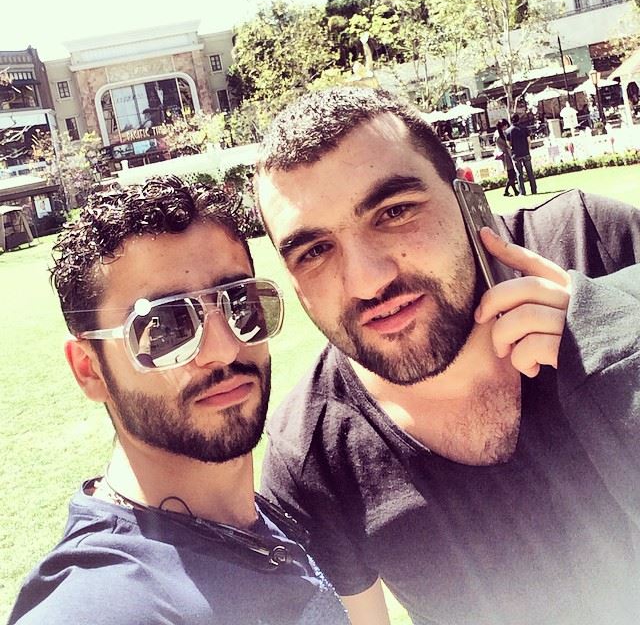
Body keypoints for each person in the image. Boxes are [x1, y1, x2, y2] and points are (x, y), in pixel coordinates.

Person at [253, 86, 640, 625]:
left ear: (465, 196)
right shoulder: (310, 457)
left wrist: (615, 331)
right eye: (315, 251)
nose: (367, 281)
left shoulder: (595, 242)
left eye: (394, 212)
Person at [7, 175, 349, 625]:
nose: (224, 349)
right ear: (90, 369)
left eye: (239, 303)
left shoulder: (261, 515)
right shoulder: (101, 604)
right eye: (166, 327)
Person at [506, 112, 537, 195]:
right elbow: (529, 141)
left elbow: (509, 145)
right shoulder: (524, 128)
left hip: (516, 154)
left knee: (519, 174)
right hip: (525, 152)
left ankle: (522, 192)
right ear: (518, 119)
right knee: (530, 172)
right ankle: (534, 190)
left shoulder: (508, 131)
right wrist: (528, 150)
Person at [493, 118, 518, 197]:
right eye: (506, 126)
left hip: (506, 156)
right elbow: (507, 145)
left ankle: (513, 191)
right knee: (511, 174)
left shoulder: (498, 134)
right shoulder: (500, 135)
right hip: (506, 156)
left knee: (511, 175)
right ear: (503, 126)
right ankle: (507, 191)